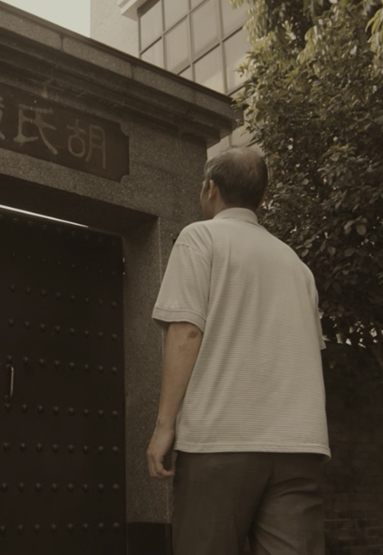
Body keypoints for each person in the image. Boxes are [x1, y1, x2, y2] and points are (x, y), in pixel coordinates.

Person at [146, 147, 330, 555]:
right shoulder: (297, 266)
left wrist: (164, 426)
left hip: (220, 439)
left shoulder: (200, 237)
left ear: (211, 189)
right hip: (300, 446)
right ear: (261, 198)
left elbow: (185, 332)